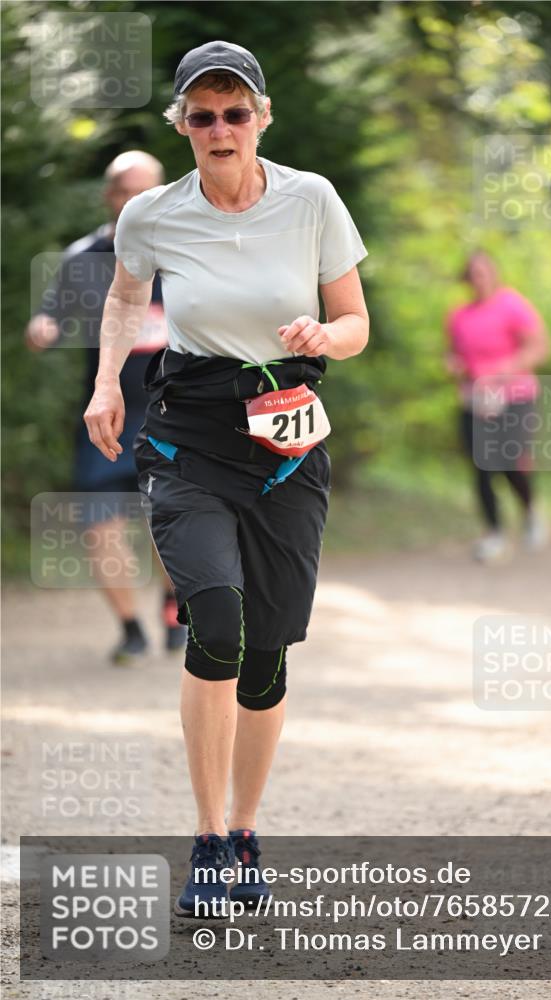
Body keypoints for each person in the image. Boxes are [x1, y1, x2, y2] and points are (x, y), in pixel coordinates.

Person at [83, 40, 369, 914]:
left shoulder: (311, 199)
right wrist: (104, 383)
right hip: (190, 438)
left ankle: (245, 828)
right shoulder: (154, 215)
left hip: (285, 444)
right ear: (182, 125)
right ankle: (207, 838)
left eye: (234, 112)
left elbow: (355, 318)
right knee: (213, 614)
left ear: (261, 118)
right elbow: (127, 297)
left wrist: (327, 339)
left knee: (268, 651)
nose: (219, 127)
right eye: (201, 114)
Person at [26, 151, 186, 663]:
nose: (135, 199)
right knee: (99, 526)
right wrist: (44, 328)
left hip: (176, 413)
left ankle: (173, 606)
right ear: (109, 195)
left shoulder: (186, 251)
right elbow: (51, 314)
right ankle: (131, 629)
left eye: (147, 189)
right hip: (108, 417)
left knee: (173, 521)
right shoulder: (85, 258)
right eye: (125, 189)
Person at [445, 251, 550, 563]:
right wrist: (453, 365)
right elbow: (454, 354)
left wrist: (507, 368)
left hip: (514, 394)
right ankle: (494, 533)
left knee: (510, 459)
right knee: (481, 465)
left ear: (494, 274)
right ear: (467, 278)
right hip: (475, 397)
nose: (479, 279)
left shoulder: (512, 305)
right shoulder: (459, 316)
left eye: (484, 272)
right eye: (473, 273)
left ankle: (530, 510)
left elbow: (539, 347)